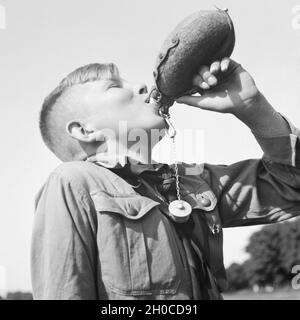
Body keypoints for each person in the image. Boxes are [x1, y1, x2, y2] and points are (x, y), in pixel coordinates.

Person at [31, 57, 300, 300]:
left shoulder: (191, 180)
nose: (141, 86)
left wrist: (253, 107)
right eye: (114, 86)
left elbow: (291, 188)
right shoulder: (73, 183)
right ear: (84, 130)